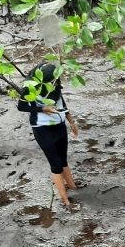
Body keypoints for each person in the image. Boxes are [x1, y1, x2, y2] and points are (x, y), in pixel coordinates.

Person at [17, 62, 81, 209]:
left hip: (59, 126)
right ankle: (65, 200)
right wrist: (42, 108)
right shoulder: (31, 87)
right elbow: (21, 106)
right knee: (56, 165)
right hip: (42, 128)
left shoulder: (55, 84)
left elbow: (61, 102)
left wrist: (71, 121)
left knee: (63, 158)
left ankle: (72, 185)